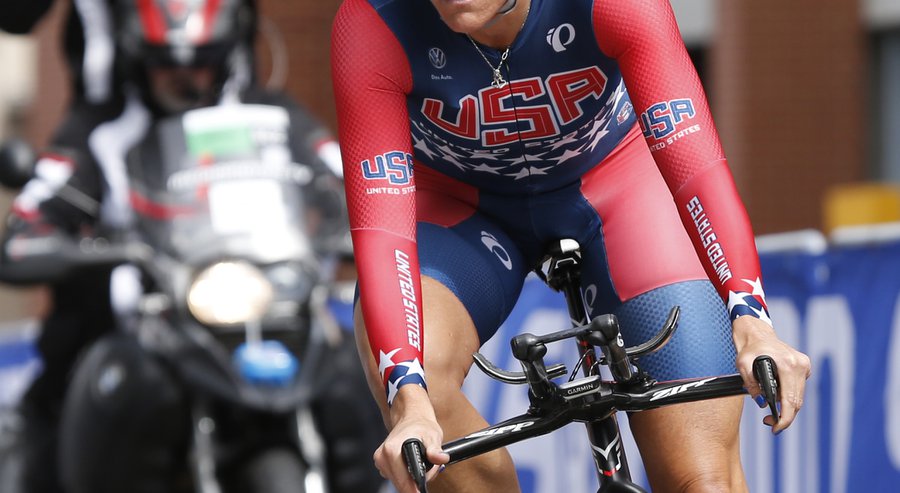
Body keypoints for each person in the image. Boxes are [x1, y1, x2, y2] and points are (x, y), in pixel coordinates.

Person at [330, 0, 813, 492]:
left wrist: (752, 319)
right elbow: (382, 230)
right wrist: (409, 402)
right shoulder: (375, 19)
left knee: (702, 478)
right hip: (457, 206)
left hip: (615, 183)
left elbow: (696, 170)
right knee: (415, 379)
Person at [0, 1, 381, 492]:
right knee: (78, 384)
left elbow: (354, 185)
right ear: (137, 57)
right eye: (167, 64)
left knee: (347, 362)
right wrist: (54, 245)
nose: (186, 79)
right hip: (147, 323)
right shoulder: (97, 133)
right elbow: (32, 219)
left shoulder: (277, 118)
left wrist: (359, 225)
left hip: (270, 312)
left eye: (201, 61)